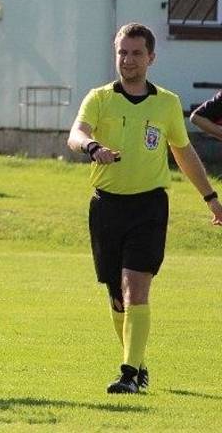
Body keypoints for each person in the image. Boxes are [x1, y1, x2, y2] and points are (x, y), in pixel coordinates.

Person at [67, 22, 222, 394]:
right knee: (116, 295)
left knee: (136, 288)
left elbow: (183, 153)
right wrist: (92, 148)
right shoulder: (99, 98)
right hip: (106, 205)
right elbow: (76, 134)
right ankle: (137, 361)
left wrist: (211, 199)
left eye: (137, 53)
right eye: (123, 52)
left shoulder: (166, 103)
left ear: (151, 57)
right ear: (115, 54)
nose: (129, 59)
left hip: (149, 206)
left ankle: (128, 373)